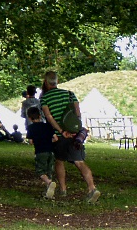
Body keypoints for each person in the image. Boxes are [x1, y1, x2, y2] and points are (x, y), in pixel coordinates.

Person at [40, 70, 100, 203]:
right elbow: (78, 113)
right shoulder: (69, 94)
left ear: (46, 82)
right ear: (57, 82)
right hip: (74, 134)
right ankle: (92, 188)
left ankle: (63, 189)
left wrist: (61, 131)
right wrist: (75, 130)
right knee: (79, 162)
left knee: (59, 160)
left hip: (59, 135)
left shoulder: (45, 98)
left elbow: (49, 117)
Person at [26, 106, 58, 200]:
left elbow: (31, 142)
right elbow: (55, 138)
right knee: (49, 171)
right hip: (51, 151)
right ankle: (49, 192)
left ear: (29, 118)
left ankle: (48, 183)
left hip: (40, 151)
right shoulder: (47, 126)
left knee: (40, 171)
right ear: (40, 116)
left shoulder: (31, 128)